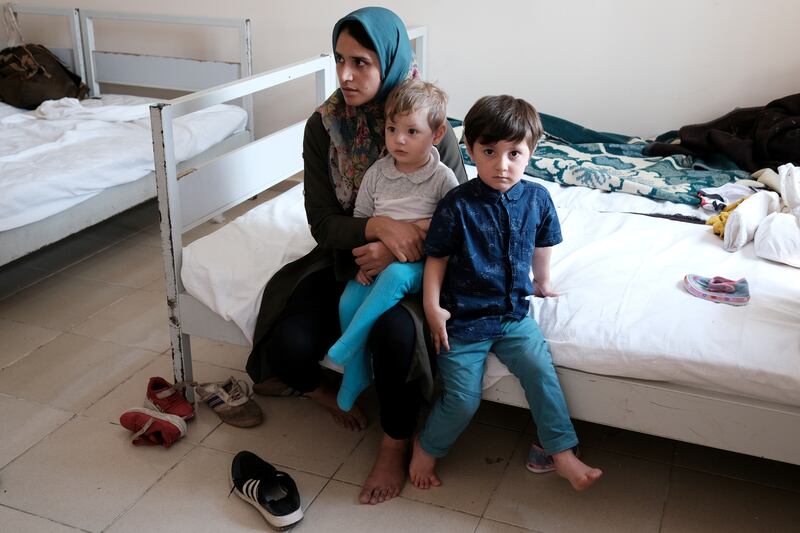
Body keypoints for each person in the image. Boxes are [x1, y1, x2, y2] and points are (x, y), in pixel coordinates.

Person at [245, 7, 467, 506]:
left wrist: (396, 245)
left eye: (362, 62)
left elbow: (459, 216)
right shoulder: (323, 127)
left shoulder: (430, 125)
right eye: (340, 59)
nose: (345, 75)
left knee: (396, 333)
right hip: (346, 255)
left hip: (416, 265)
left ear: (388, 61)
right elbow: (323, 223)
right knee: (289, 342)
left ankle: (394, 443)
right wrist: (376, 226)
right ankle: (324, 392)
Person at [409, 95, 603, 491]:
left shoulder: (537, 198)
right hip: (462, 320)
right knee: (462, 399)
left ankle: (561, 453)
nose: (502, 165)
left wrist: (543, 281)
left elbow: (543, 242)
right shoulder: (458, 204)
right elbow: (437, 257)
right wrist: (432, 307)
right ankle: (425, 448)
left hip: (514, 316)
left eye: (515, 153)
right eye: (490, 152)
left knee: (540, 371)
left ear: (531, 152)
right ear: (471, 150)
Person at [327, 78, 459, 413]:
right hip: (380, 259)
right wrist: (364, 262)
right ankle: (354, 374)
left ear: (437, 134)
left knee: (396, 277)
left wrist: (417, 230)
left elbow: (456, 225)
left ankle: (347, 345)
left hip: (422, 263)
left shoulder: (442, 178)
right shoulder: (377, 173)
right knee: (347, 302)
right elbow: (362, 219)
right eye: (391, 128)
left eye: (412, 131)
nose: (398, 139)